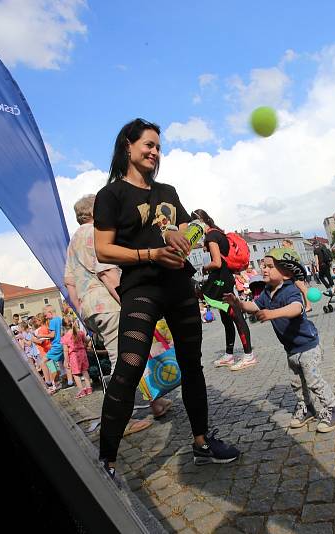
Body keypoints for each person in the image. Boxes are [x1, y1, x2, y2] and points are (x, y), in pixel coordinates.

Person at [93, 118, 239, 477]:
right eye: (149, 145)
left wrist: (181, 234)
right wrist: (152, 254)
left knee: (192, 366)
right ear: (128, 146)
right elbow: (103, 249)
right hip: (141, 288)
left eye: (159, 147)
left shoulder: (168, 192)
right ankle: (106, 462)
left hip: (178, 286)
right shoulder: (110, 196)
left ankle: (202, 443)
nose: (155, 152)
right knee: (128, 368)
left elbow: (190, 228)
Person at [64, 194, 168, 429]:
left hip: (91, 307)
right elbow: (108, 273)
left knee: (131, 355)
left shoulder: (73, 241)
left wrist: (82, 313)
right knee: (121, 360)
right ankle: (122, 421)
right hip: (109, 304)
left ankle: (156, 403)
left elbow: (69, 282)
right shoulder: (95, 234)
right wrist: (130, 302)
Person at [223, 248, 335, 432]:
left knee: (313, 381)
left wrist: (272, 313)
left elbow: (296, 308)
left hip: (307, 346)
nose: (264, 269)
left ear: (286, 273)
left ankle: (332, 410)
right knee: (297, 383)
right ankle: (308, 409)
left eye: (270, 266)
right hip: (291, 349)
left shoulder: (290, 290)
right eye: (263, 265)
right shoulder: (267, 292)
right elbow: (253, 306)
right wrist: (238, 304)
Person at [192, 208, 257, 371]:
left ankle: (248, 355)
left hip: (221, 279)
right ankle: (229, 354)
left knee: (234, 314)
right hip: (223, 278)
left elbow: (217, 263)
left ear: (199, 222)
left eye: (193, 225)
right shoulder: (217, 233)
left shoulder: (211, 236)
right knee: (226, 317)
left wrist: (205, 268)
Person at [61, 316, 93, 399]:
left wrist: (66, 361)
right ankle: (89, 388)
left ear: (63, 326)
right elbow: (86, 341)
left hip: (73, 356)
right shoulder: (80, 333)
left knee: (75, 374)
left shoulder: (65, 337)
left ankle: (81, 390)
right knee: (84, 371)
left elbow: (65, 351)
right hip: (83, 353)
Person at [281, 239, 312, 312]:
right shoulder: (289, 253)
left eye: (283, 245)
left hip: (297, 274)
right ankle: (306, 306)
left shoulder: (291, 252)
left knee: (303, 290)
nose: (282, 246)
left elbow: (299, 264)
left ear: (289, 244)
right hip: (296, 274)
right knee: (302, 290)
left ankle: (308, 306)